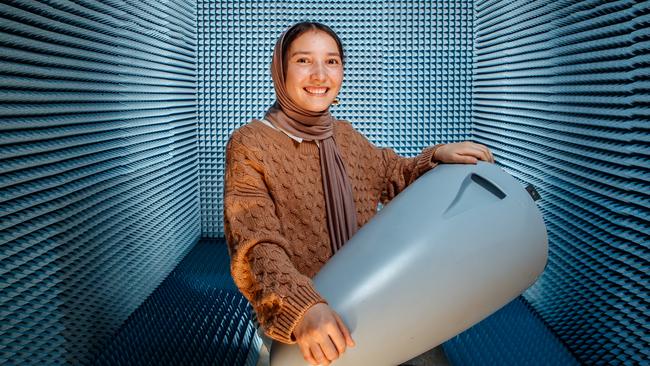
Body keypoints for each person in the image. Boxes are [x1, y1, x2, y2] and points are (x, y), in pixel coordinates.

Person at [224, 21, 494, 366]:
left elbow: (391, 173)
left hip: (371, 293)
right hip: (309, 316)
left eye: (332, 61)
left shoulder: (344, 135)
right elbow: (255, 242)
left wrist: (436, 155)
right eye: (304, 60)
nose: (320, 75)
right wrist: (303, 306)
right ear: (280, 68)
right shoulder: (251, 143)